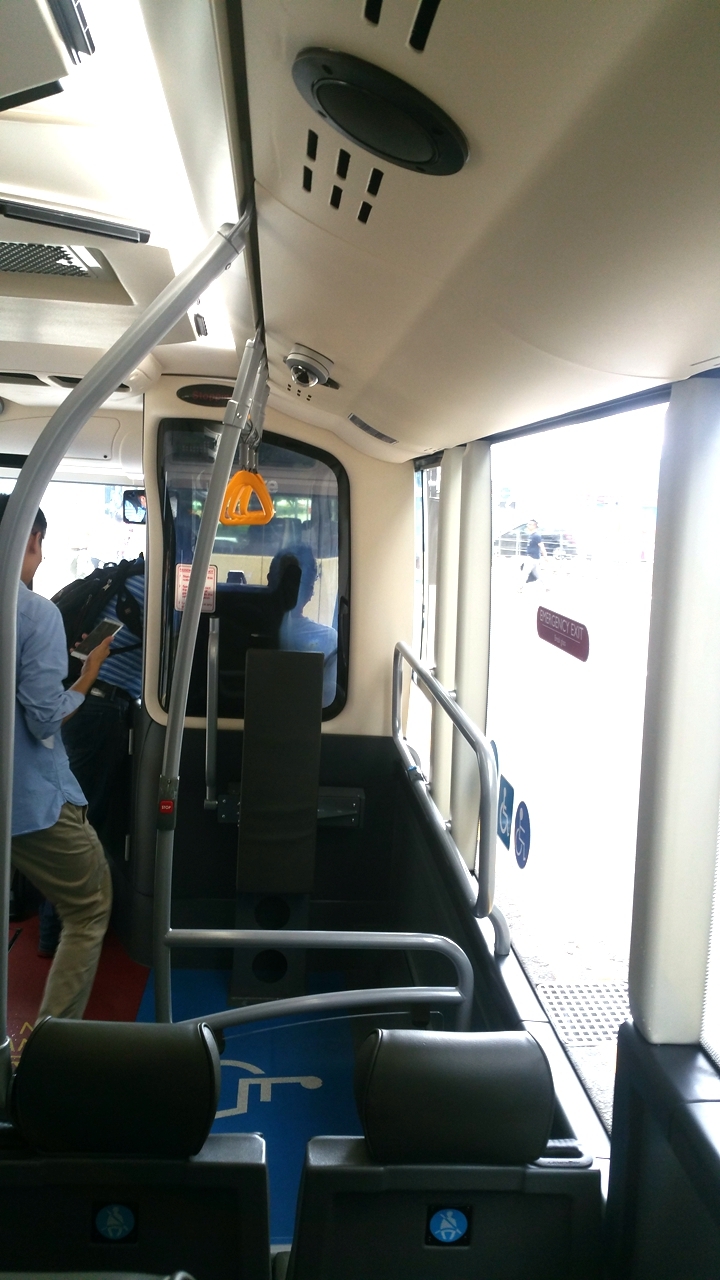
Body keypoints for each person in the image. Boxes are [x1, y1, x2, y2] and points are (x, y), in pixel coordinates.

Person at [1, 494, 114, 1019]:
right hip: (26, 798)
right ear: (30, 539)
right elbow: (43, 720)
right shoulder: (35, 614)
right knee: (89, 906)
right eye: (41, 544)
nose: (41, 557)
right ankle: (52, 1050)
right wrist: (86, 677)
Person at [36, 556, 146, 957]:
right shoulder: (154, 589)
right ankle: (57, 931)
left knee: (78, 813)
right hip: (100, 711)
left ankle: (61, 922)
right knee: (83, 821)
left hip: (83, 705)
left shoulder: (124, 581)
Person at [268, 543, 338, 706]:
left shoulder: (239, 623)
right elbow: (325, 700)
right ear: (310, 591)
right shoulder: (329, 640)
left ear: (269, 580)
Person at [520, 519, 547, 589]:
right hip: (533, 558)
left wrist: (545, 556)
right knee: (538, 574)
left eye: (529, 524)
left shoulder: (536, 536)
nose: (527, 526)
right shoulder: (532, 535)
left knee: (525, 573)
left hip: (532, 558)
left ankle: (520, 587)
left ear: (534, 526)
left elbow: (542, 546)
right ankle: (547, 587)